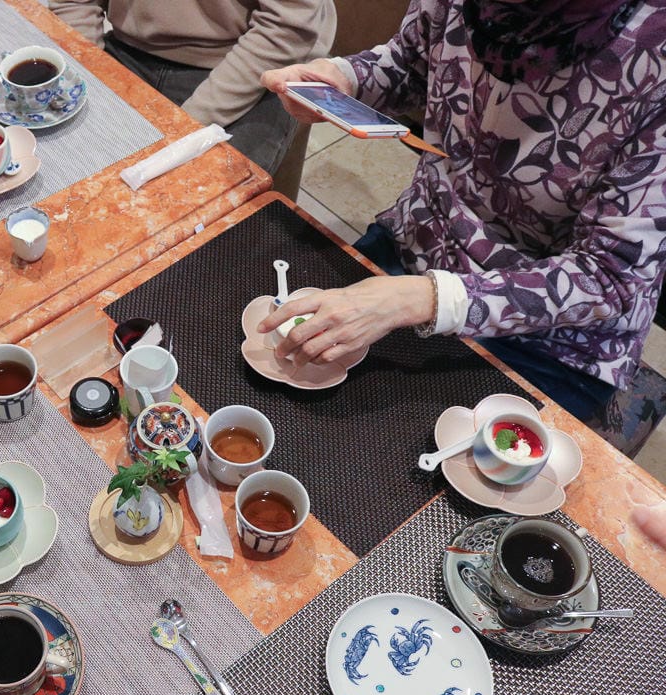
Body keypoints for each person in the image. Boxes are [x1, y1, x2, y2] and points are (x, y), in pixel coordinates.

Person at [257, 0, 666, 423]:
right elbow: (410, 63)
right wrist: (343, 80)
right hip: (421, 239)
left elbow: (610, 275)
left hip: (552, 335)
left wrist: (426, 299)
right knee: (275, 370)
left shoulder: (653, 54)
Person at [49, 0, 336, 174]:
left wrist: (187, 127)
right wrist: (90, 76)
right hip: (129, 47)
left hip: (252, 61)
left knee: (196, 202)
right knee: (55, 161)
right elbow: (74, 4)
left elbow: (286, 29)